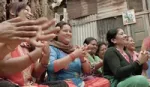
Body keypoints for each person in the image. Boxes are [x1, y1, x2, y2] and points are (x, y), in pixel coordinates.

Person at [0, 2, 67, 87]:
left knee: (62, 84)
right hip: (10, 84)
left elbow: (35, 74)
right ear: (12, 12)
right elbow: (5, 68)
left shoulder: (29, 42)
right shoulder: (4, 37)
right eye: (27, 10)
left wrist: (45, 58)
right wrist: (34, 55)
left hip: (29, 84)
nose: (31, 14)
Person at [47, 21, 109, 87]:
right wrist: (73, 55)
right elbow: (51, 67)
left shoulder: (73, 49)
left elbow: (88, 71)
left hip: (78, 83)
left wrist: (82, 58)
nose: (68, 33)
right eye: (65, 31)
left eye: (70, 31)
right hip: (62, 84)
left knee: (105, 82)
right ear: (56, 33)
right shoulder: (52, 48)